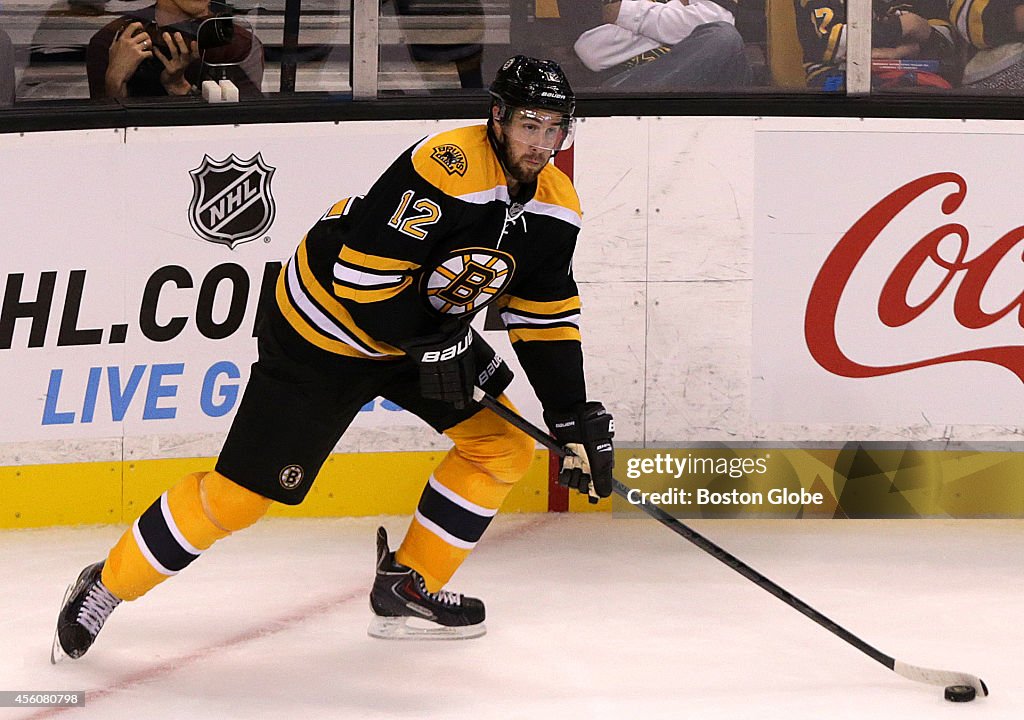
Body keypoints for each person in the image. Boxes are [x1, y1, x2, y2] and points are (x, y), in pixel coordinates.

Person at [51, 54, 616, 660]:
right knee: (239, 499)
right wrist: (441, 345)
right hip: (324, 330)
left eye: (555, 128)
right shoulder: (445, 169)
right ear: (497, 117)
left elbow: (545, 313)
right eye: (530, 125)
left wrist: (569, 417)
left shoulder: (556, 207)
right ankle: (106, 584)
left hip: (419, 334)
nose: (542, 142)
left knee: (502, 447)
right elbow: (361, 285)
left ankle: (408, 583)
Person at [85, 0, 263, 99]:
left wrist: (180, 87)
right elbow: (102, 141)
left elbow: (243, 132)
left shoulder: (237, 44)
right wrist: (114, 82)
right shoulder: (111, 41)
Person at [573, 0, 752, 90]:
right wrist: (678, 14)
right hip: (634, 81)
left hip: (709, 86)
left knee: (724, 37)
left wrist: (626, 13)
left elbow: (719, 22)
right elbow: (591, 50)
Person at [795, 0, 957, 90]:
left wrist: (902, 51)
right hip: (837, 75)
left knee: (936, 100)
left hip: (911, 72)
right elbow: (827, 43)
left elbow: (949, 42)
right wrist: (904, 26)